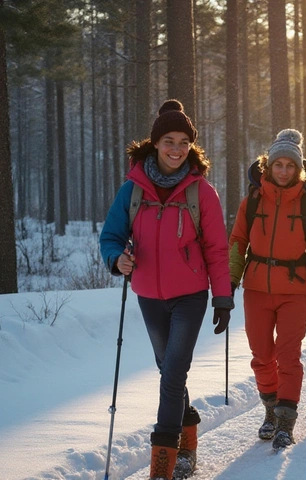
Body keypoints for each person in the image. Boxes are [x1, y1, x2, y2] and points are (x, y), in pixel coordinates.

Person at [99, 100, 233, 480]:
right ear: (155, 143)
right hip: (148, 296)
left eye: (184, 142)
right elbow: (111, 237)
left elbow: (217, 249)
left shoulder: (201, 191)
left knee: (173, 371)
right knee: (167, 368)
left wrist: (221, 297)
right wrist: (116, 259)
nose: (176, 149)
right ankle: (188, 438)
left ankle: (164, 461)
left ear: (191, 146)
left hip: (190, 295)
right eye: (169, 141)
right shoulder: (133, 190)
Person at [228, 129, 306, 450]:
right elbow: (237, 242)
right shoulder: (251, 202)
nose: (284, 170)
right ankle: (270, 410)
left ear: (298, 169)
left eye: (290, 165)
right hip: (256, 289)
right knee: (261, 355)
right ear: (268, 167)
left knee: (288, 356)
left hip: (293, 290)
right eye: (278, 165)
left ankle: (286, 421)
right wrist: (229, 280)